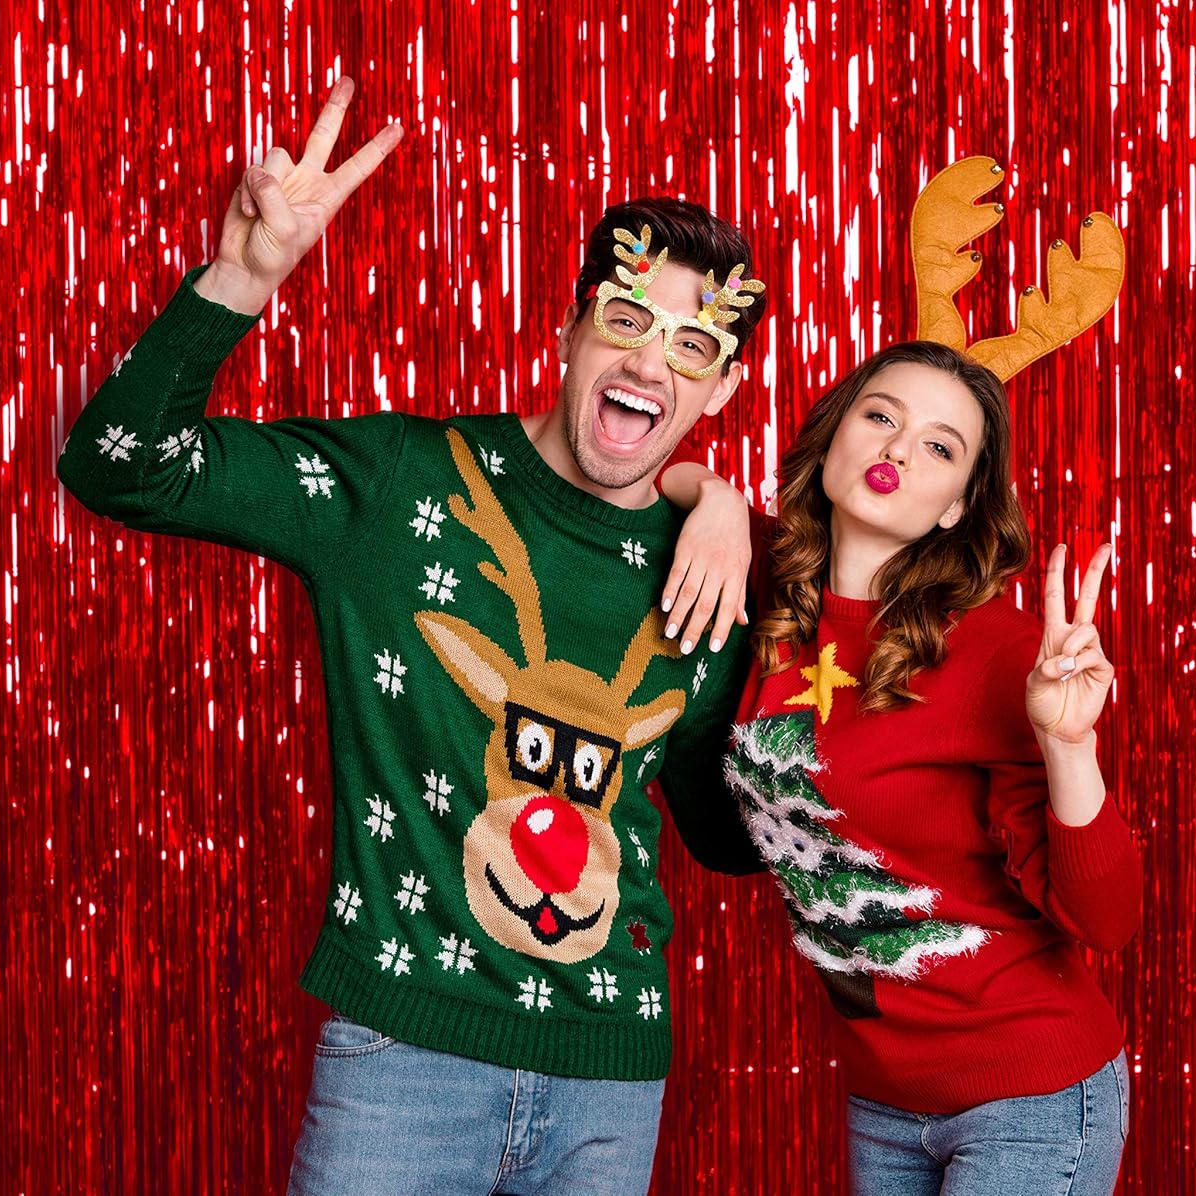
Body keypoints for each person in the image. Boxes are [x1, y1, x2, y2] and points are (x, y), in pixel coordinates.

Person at [57, 77, 767, 1194]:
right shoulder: (398, 485)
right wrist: (242, 279)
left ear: (723, 385)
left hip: (609, 1077)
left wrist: (791, 619)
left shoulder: (717, 566)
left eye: (689, 347)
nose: (645, 365)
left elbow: (722, 832)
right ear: (571, 325)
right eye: (626, 322)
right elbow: (119, 465)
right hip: (402, 1061)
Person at [661, 339, 1141, 1194]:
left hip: (1027, 1094)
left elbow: (1104, 919)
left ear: (958, 506)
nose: (897, 450)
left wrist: (1071, 748)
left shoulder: (999, 652)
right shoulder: (769, 584)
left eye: (939, 446)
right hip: (883, 1100)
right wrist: (718, 500)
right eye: (881, 416)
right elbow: (664, 473)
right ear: (836, 432)